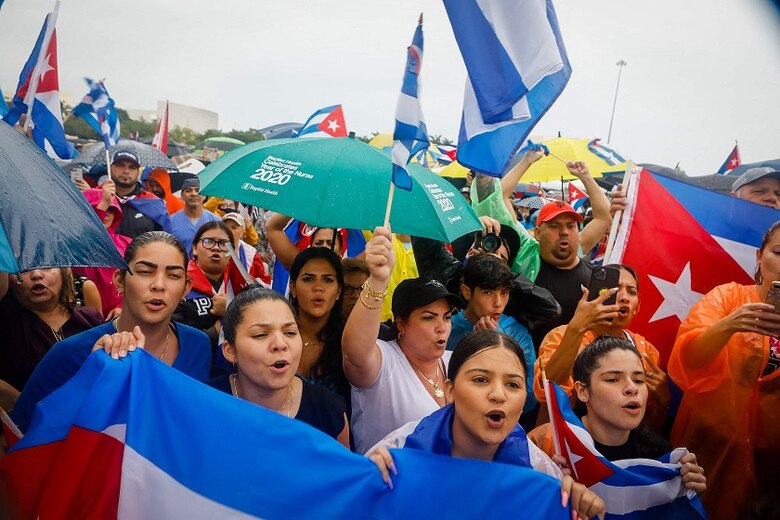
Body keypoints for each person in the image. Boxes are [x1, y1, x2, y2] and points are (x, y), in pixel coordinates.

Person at [367, 330, 605, 520]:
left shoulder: (538, 470)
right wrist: (368, 487)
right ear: (450, 391)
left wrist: (579, 507)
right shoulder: (396, 452)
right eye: (480, 380)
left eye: (513, 385)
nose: (498, 395)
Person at [10, 232, 211, 433]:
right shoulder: (69, 354)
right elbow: (19, 435)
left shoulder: (198, 345)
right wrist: (89, 379)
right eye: (145, 272)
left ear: (186, 288)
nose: (159, 285)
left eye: (173, 275)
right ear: (119, 280)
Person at [667, 221, 780, 520]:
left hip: (771, 461)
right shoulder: (728, 298)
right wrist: (729, 325)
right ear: (759, 256)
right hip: (710, 444)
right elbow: (689, 358)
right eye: (779, 253)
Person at [528, 336, 706, 510]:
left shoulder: (659, 457)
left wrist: (686, 491)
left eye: (639, 380)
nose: (632, 388)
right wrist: (547, 489)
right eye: (613, 379)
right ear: (582, 391)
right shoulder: (546, 444)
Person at [342, 227, 465, 454]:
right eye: (428, 318)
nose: (442, 327)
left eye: (447, 317)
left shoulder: (456, 363)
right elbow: (355, 352)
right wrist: (378, 280)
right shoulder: (384, 362)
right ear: (401, 323)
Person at [533, 264, 668, 431]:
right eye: (615, 289)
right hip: (560, 442)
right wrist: (576, 329)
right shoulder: (562, 336)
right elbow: (546, 393)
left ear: (637, 308)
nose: (624, 297)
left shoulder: (647, 352)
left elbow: (649, 429)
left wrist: (662, 401)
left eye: (631, 292)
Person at [214, 286, 350, 447]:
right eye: (260, 334)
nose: (280, 344)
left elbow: (344, 462)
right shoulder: (203, 405)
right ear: (230, 351)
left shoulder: (328, 410)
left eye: (290, 332)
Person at [412, 215, 561, 337]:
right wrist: (466, 224)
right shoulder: (450, 276)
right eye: (488, 292)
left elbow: (551, 309)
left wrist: (502, 274)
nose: (497, 303)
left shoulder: (513, 300)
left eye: (502, 259)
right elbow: (423, 235)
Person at [447, 255, 537, 421]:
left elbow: (530, 398)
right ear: (467, 291)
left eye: (504, 293)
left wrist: (499, 342)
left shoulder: (517, 333)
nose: (498, 303)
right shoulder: (448, 329)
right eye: (488, 292)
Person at [0, 268, 103, 406]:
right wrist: (18, 402)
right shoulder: (7, 322)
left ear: (63, 272)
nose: (36, 274)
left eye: (46, 266)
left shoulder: (90, 318)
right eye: (24, 269)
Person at [288, 247, 349, 402]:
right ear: (293, 288)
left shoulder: (349, 342)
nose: (318, 287)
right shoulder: (276, 338)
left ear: (338, 291)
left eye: (327, 280)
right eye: (308, 279)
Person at [172, 221, 232, 367]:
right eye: (208, 241)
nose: (216, 248)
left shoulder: (241, 285)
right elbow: (171, 336)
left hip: (234, 371)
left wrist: (232, 309)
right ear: (195, 248)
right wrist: (215, 332)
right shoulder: (180, 284)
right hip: (191, 367)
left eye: (224, 244)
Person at [77, 179, 132, 318]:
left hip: (120, 316)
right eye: (98, 207)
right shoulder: (75, 244)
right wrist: (104, 202)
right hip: (85, 316)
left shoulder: (127, 242)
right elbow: (90, 236)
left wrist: (122, 306)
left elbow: (136, 278)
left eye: (111, 210)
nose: (106, 213)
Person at [109, 150, 171, 239]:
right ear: (110, 168)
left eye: (132, 167)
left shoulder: (153, 203)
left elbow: (166, 241)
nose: (126, 171)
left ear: (138, 172)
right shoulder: (96, 197)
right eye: (120, 165)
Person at [170, 178, 220, 255]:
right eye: (188, 191)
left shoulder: (216, 221)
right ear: (182, 195)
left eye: (197, 190)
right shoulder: (171, 221)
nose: (194, 194)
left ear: (204, 196)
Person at [222, 212, 270, 286]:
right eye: (225, 227)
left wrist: (250, 282)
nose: (229, 230)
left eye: (234, 227)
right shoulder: (214, 248)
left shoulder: (251, 253)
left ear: (242, 231)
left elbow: (263, 279)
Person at [340, 257, 369, 322]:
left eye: (362, 288)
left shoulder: (380, 328)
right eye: (348, 289)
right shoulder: (320, 327)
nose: (356, 296)